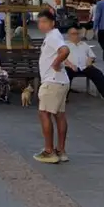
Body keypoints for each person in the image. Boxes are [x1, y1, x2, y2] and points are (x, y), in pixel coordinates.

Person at [33, 10, 73, 163]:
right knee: (59, 114)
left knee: (44, 113)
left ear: (52, 23)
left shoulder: (53, 37)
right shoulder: (54, 36)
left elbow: (65, 50)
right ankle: (61, 150)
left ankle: (49, 150)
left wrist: (56, 63)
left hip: (52, 81)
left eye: (44, 22)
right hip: (61, 80)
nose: (41, 25)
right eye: (39, 22)